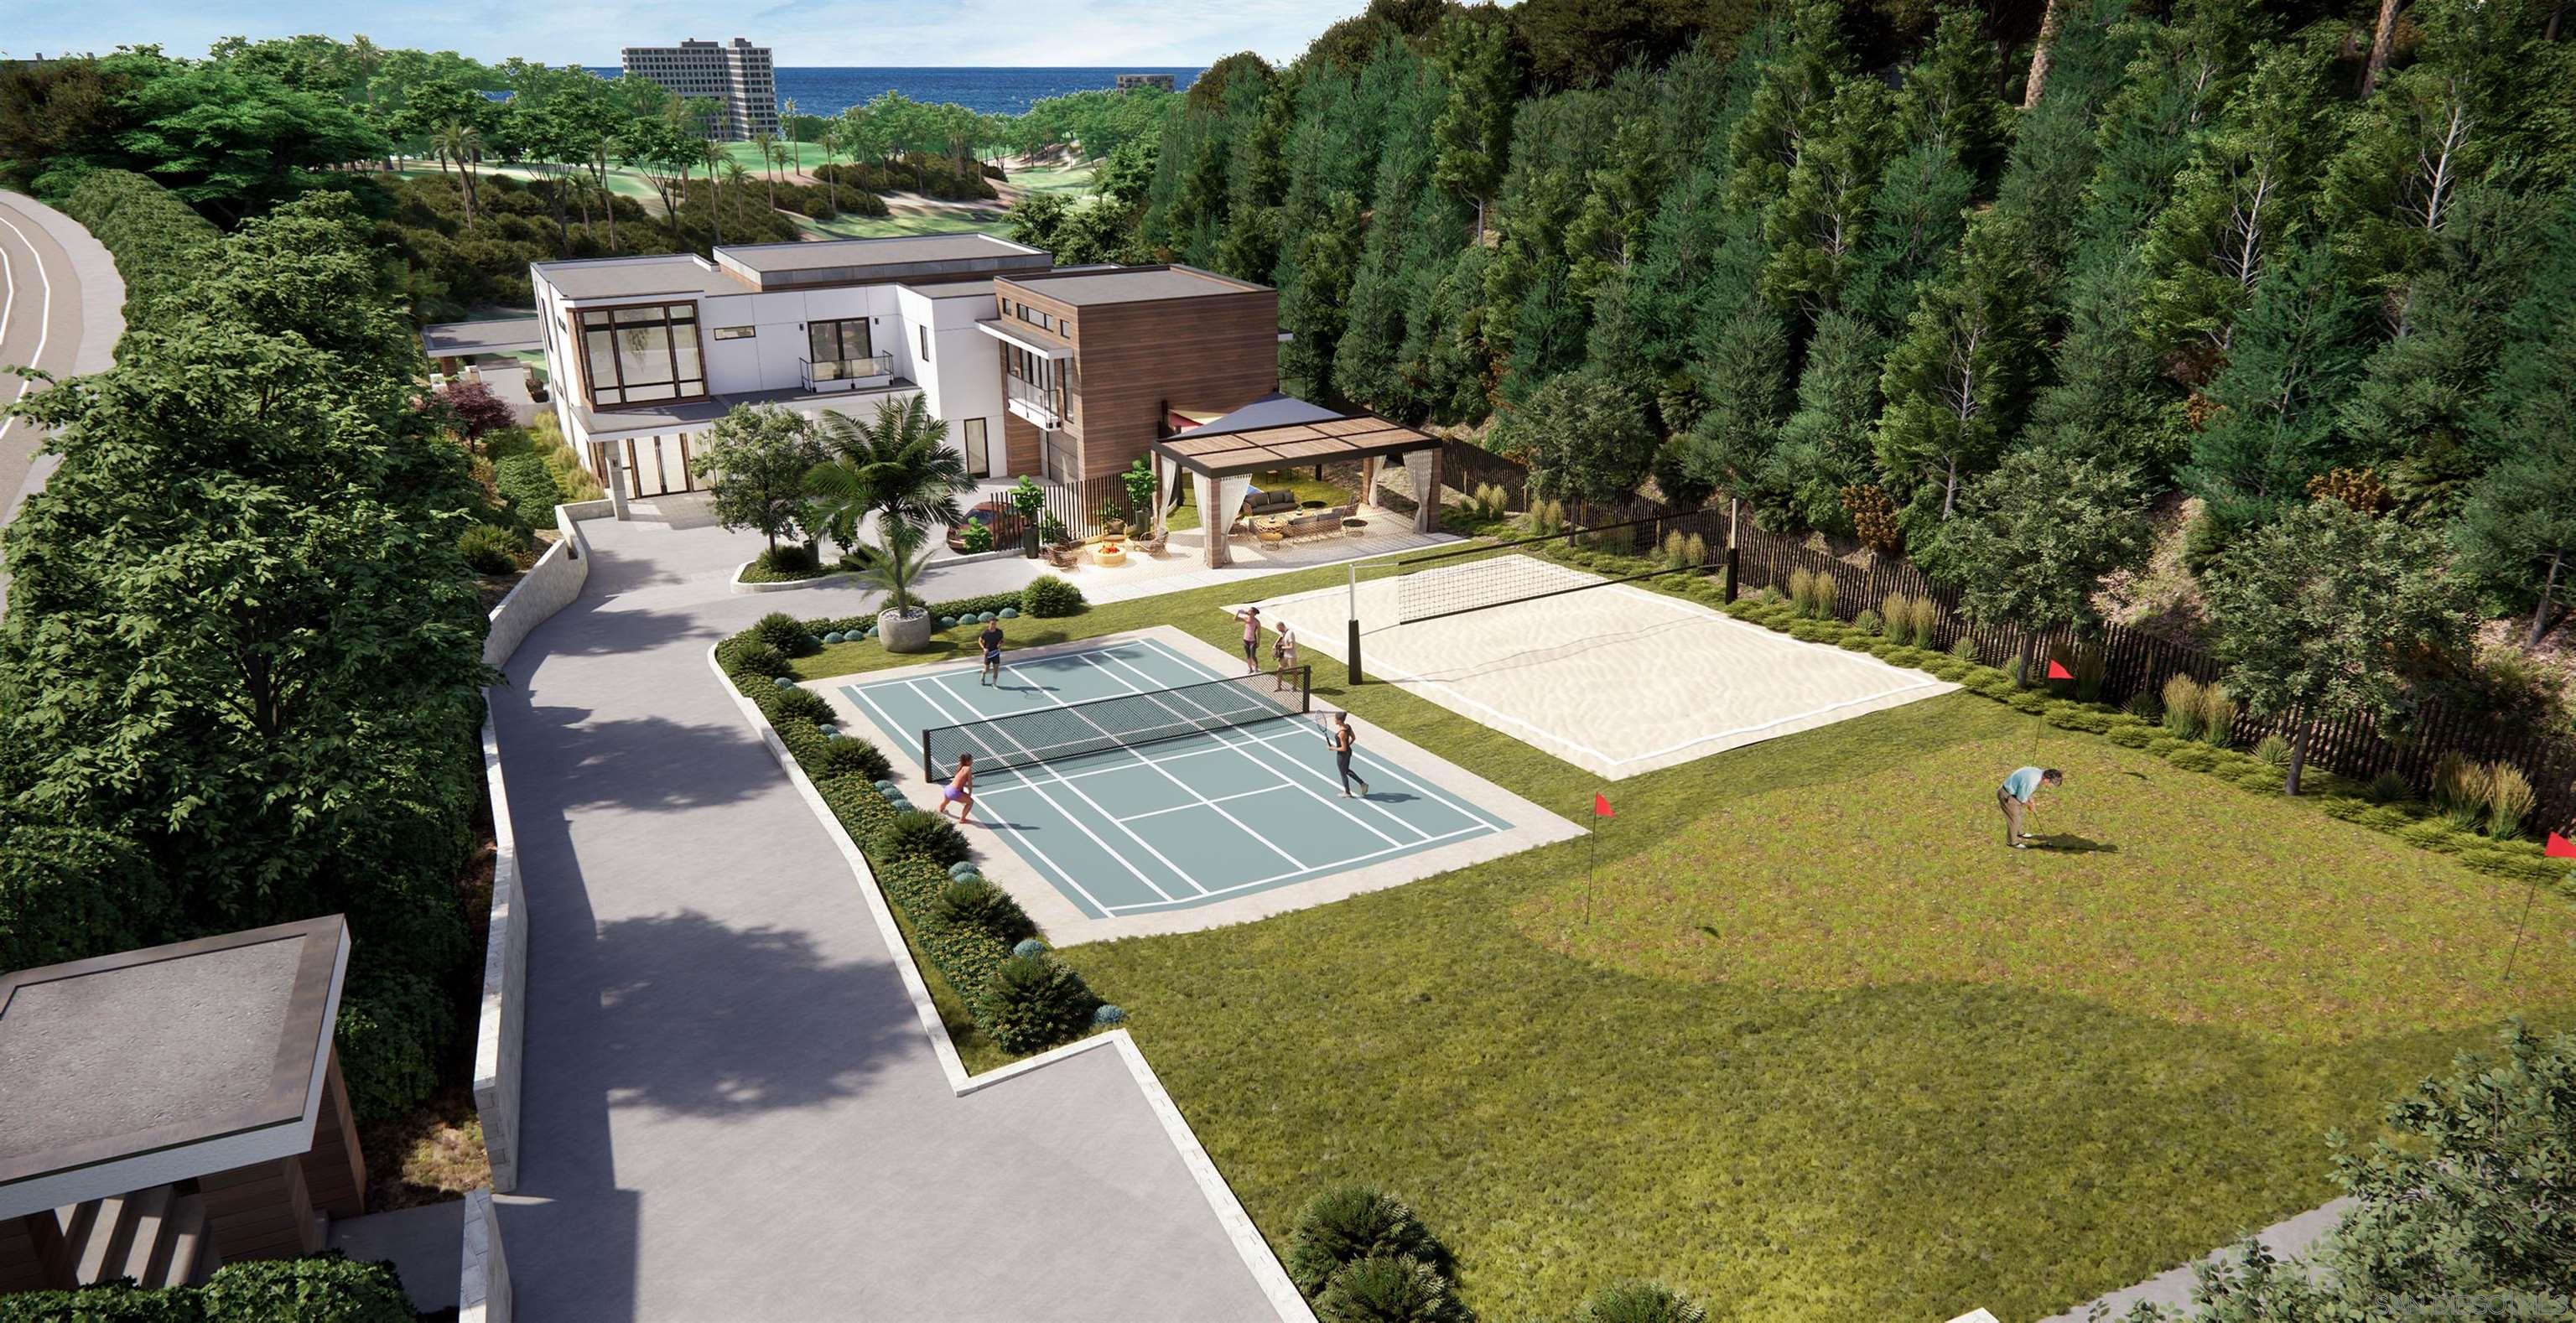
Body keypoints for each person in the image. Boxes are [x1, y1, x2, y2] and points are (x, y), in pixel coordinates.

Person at [1997, 765, 2062, 848]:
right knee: (2014, 819)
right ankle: (2013, 842)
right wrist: (2030, 806)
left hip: (2014, 792)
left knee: (2018, 814)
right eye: (2050, 784)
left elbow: (2026, 789)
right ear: (2046, 779)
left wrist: (2031, 800)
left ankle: (2019, 833)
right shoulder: (2032, 781)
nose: (2049, 787)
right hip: (2007, 795)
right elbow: (2021, 798)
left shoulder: (2039, 773)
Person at [1328, 712, 1371, 798]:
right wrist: (1347, 746)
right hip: (1348, 752)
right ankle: (1362, 784)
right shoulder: (1348, 726)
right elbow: (1353, 738)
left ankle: (1348, 792)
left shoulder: (1341, 733)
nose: (1334, 720)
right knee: (1346, 770)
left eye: (1335, 718)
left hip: (1342, 755)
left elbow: (1343, 749)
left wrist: (1333, 748)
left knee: (1343, 773)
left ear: (1339, 720)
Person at [938, 752, 976, 823]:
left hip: (948, 789)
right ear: (967, 761)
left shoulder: (960, 767)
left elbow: (960, 782)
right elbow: (970, 784)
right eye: (971, 760)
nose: (972, 761)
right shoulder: (968, 769)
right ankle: (962, 819)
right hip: (954, 792)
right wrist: (969, 794)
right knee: (970, 802)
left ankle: (941, 809)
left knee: (946, 801)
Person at [1233, 605, 1265, 672]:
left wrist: (1258, 642)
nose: (1248, 611)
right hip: (1245, 640)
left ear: (1253, 613)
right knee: (1248, 656)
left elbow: (1259, 633)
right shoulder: (1246, 618)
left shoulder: (1257, 622)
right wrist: (1238, 612)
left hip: (1253, 641)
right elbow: (1235, 619)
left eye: (1250, 611)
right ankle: (1250, 669)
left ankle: (1256, 667)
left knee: (1253, 655)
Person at [978, 618, 1005, 686]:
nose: (994, 625)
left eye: (995, 624)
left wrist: (1000, 644)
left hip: (996, 652)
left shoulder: (999, 632)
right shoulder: (985, 633)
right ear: (989, 624)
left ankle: (994, 683)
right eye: (992, 624)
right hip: (988, 653)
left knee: (996, 669)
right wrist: (984, 648)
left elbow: (1002, 640)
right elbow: (979, 641)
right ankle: (983, 674)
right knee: (987, 670)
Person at [1272, 620, 1299, 692]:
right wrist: (1275, 645)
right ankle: (1279, 687)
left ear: (1281, 626)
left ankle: (1294, 687)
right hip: (1284, 655)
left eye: (1279, 629)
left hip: (1291, 656)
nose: (1279, 631)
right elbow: (1278, 640)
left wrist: (1281, 648)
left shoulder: (1290, 633)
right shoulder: (1283, 633)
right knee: (1279, 669)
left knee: (1293, 671)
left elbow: (1291, 646)